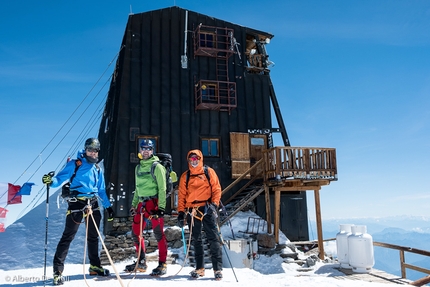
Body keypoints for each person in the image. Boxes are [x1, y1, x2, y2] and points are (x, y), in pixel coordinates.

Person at [42, 138, 114, 285]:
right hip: (77, 203)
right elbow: (60, 179)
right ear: (85, 149)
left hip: (93, 203)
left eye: (95, 150)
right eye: (90, 150)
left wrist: (108, 206)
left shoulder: (98, 169)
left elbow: (101, 190)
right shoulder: (75, 164)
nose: (92, 153)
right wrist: (50, 181)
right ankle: (58, 271)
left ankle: (95, 266)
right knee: (68, 236)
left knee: (93, 237)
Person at [177, 149, 223, 280]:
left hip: (207, 207)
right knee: (195, 239)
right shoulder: (185, 176)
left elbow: (216, 189)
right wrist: (181, 212)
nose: (194, 161)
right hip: (192, 210)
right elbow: (181, 195)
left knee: (213, 238)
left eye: (196, 158)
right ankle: (200, 268)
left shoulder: (208, 172)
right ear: (188, 161)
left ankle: (217, 269)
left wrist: (214, 205)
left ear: (200, 159)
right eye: (191, 159)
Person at [125, 139, 168, 276]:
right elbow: (137, 189)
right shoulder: (138, 168)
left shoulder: (157, 167)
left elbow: (162, 188)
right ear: (140, 150)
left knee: (158, 233)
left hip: (154, 203)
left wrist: (161, 208)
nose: (145, 151)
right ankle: (141, 261)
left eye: (148, 148)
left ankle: (162, 263)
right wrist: (133, 204)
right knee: (135, 232)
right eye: (143, 148)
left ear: (152, 150)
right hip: (141, 204)